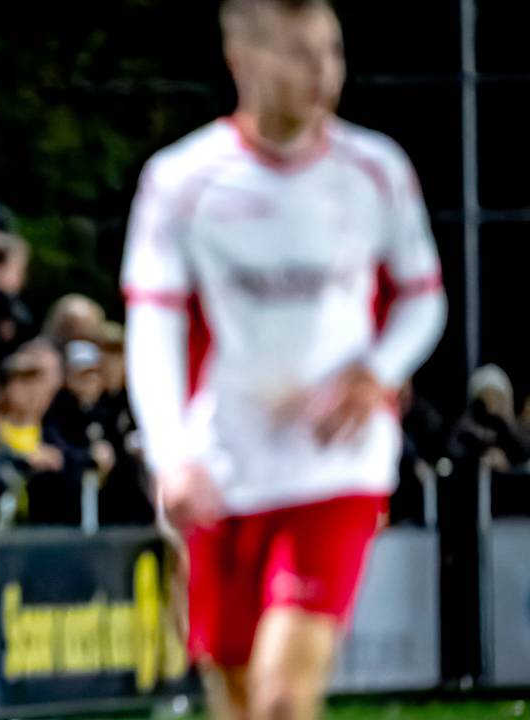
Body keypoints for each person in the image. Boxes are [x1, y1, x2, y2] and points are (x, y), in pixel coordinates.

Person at [121, 1, 447, 717]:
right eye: (300, 53)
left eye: (330, 50)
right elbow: (154, 330)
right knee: (234, 696)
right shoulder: (182, 181)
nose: (322, 72)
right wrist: (171, 457)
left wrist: (378, 371)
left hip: (339, 464)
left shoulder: (375, 169)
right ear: (244, 59)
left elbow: (424, 298)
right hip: (224, 467)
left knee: (280, 699)